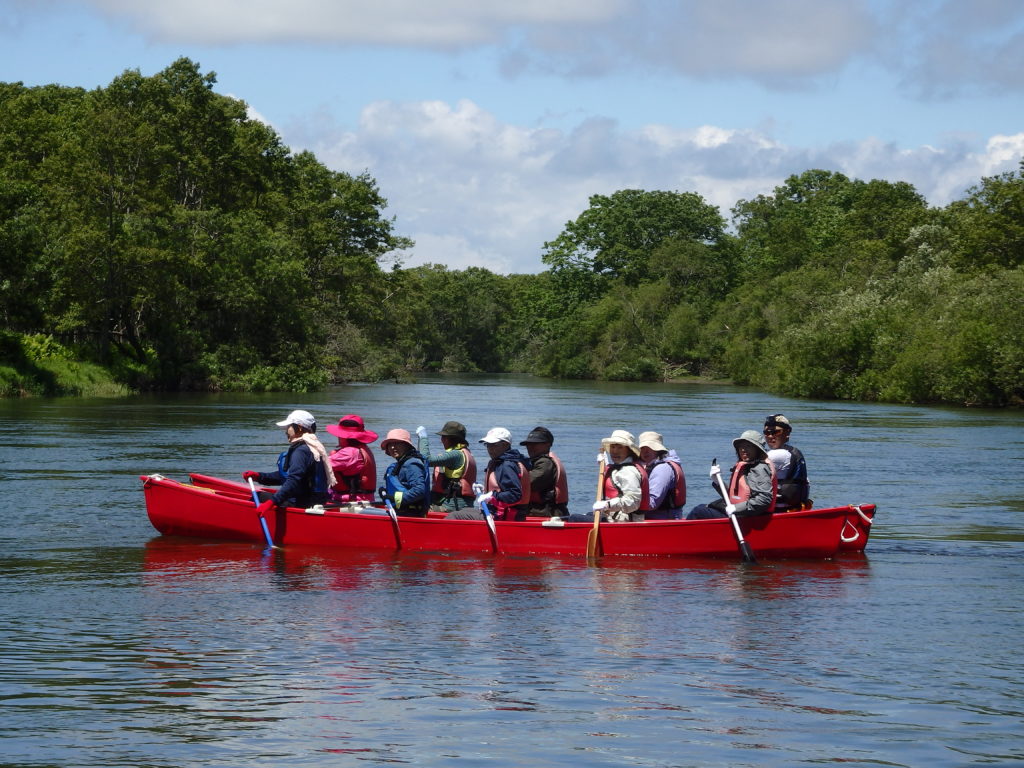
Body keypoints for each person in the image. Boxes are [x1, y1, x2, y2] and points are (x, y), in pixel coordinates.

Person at [242, 409, 334, 516]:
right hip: (313, 501)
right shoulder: (312, 446)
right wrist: (259, 476)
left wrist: (272, 502)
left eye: (288, 427)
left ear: (299, 428)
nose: (286, 432)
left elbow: (293, 480)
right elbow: (287, 477)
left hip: (302, 503)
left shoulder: (301, 451)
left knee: (257, 497)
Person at [686, 430, 776, 520]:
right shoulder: (746, 466)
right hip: (739, 514)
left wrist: (736, 508)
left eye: (748, 446)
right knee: (703, 507)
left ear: (757, 449)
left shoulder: (759, 469)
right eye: (741, 446)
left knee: (698, 511)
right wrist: (718, 481)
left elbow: (764, 499)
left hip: (747, 517)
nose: (743, 449)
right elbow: (733, 496)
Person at [447, 427, 531, 521]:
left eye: (493, 445)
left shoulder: (507, 465)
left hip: (503, 517)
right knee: (463, 511)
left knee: (454, 516)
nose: (490, 449)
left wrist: (491, 495)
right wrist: (484, 492)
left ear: (505, 445)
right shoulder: (502, 462)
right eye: (488, 445)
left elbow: (515, 495)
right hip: (495, 512)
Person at [577, 429, 648, 523]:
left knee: (574, 518)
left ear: (629, 451)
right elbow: (615, 477)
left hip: (624, 521)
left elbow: (633, 502)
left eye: (620, 448)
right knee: (585, 515)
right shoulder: (620, 467)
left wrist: (607, 504)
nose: (615, 451)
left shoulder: (629, 471)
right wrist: (604, 464)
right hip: (614, 517)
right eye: (613, 447)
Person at [415, 420, 477, 512]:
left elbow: (427, 460)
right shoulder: (464, 452)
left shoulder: (456, 455)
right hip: (455, 502)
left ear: (448, 439)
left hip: (452, 506)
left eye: (443, 437)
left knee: (415, 509)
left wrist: (423, 438)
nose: (441, 441)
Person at [325, 413, 378, 504]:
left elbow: (320, 465)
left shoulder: (349, 453)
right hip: (366, 499)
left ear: (345, 437)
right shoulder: (363, 449)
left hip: (352, 502)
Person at [762, 413, 811, 511]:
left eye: (776, 432)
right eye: (767, 433)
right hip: (791, 508)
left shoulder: (778, 455)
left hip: (777, 512)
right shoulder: (793, 451)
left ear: (787, 433)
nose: (771, 436)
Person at [519, 426, 569, 517]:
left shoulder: (545, 463)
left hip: (545, 514)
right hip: (539, 511)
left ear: (548, 444)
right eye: (528, 444)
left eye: (535, 444)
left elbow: (527, 483)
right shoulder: (533, 462)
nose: (530, 447)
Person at [379, 428, 429, 517]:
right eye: (390, 444)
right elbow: (403, 487)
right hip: (402, 511)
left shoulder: (411, 464)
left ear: (407, 445)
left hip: (411, 514)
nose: (393, 447)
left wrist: (394, 498)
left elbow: (419, 490)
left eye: (397, 443)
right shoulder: (401, 464)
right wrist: (387, 493)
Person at [637, 431, 686, 520]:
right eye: (642, 448)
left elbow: (652, 503)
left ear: (658, 450)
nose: (645, 451)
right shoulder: (650, 466)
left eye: (650, 447)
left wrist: (624, 502)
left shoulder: (662, 469)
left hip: (664, 519)